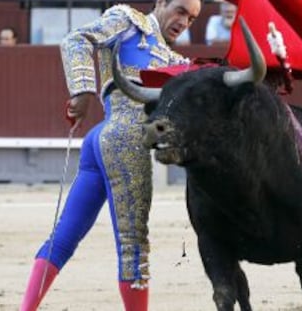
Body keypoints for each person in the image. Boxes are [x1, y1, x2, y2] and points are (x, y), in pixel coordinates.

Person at [19, 0, 201, 310]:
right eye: (181, 10)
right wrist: (82, 89)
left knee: (64, 238)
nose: (184, 22)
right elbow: (76, 39)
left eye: (193, 19)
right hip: (125, 140)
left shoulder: (175, 60)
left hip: (100, 141)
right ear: (161, 3)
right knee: (133, 246)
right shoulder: (129, 20)